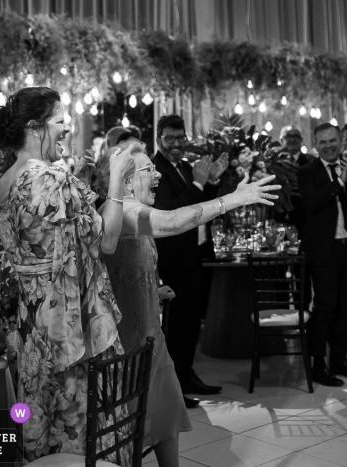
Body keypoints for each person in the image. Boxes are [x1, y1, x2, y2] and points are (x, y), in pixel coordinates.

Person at [96, 141, 279, 467]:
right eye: (148, 170)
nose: (158, 176)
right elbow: (173, 221)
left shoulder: (136, 209)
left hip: (151, 332)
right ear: (125, 181)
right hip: (125, 342)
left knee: (166, 409)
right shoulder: (122, 211)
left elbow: (129, 266)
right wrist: (233, 199)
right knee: (126, 421)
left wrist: (154, 288)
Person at [0, 86, 135, 464]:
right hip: (62, 328)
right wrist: (116, 176)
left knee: (33, 409)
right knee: (71, 419)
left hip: (25, 321)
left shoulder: (3, 182)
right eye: (60, 121)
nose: (67, 128)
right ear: (36, 128)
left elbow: (35, 242)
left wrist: (80, 182)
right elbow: (107, 241)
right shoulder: (50, 178)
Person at [152, 115, 228, 397]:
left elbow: (201, 204)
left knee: (192, 322)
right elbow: (170, 211)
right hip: (174, 259)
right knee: (177, 326)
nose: (176, 144)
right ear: (159, 139)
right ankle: (172, 388)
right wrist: (197, 185)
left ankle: (186, 375)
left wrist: (210, 181)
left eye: (180, 138)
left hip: (195, 254)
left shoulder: (185, 166)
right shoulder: (155, 169)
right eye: (169, 138)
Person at [298, 123, 347, 386]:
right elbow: (311, 203)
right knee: (324, 309)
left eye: (333, 140)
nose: (329, 145)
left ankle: (339, 360)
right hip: (324, 250)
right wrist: (339, 181)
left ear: (341, 141)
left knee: (346, 309)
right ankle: (319, 365)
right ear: (315, 144)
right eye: (323, 142)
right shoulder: (308, 171)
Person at [279, 125, 315, 235]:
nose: (292, 139)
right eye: (288, 136)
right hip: (280, 217)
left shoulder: (311, 161)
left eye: (296, 136)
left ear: (301, 140)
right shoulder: (274, 162)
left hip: (305, 216)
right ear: (281, 140)